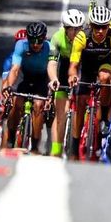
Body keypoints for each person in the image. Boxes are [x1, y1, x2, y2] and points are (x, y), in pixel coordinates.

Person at [64, 6, 111, 158]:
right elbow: (73, 65)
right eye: (97, 26)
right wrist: (72, 76)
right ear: (91, 25)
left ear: (108, 26)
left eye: (103, 27)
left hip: (106, 65)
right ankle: (74, 146)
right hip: (88, 68)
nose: (100, 31)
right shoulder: (82, 37)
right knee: (81, 102)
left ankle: (103, 115)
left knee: (105, 78)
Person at [3, 22, 58, 150]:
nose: (35, 44)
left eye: (39, 41)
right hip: (25, 77)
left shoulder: (51, 48)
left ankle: (35, 145)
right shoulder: (21, 45)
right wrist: (9, 86)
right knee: (16, 103)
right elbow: (15, 69)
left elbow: (52, 67)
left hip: (41, 79)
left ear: (44, 38)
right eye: (32, 40)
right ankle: (11, 137)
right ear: (27, 38)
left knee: (38, 106)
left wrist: (53, 83)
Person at [49, 9, 85, 157]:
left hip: (81, 67)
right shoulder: (57, 38)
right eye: (72, 29)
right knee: (61, 114)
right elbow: (52, 63)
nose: (76, 32)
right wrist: (53, 79)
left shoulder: (85, 38)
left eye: (79, 28)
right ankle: (56, 150)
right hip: (64, 68)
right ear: (65, 28)